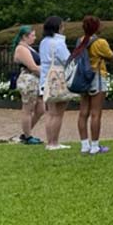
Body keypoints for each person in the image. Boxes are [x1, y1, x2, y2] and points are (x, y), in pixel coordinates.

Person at [74, 15, 113, 155]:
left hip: (82, 77)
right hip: (97, 76)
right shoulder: (100, 42)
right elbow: (111, 56)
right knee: (96, 113)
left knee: (83, 112)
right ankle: (95, 145)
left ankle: (84, 145)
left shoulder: (80, 41)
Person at [39, 16, 71, 151]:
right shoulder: (58, 43)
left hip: (45, 79)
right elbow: (67, 59)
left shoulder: (44, 42)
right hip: (58, 78)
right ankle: (55, 142)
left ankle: (49, 142)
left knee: (50, 113)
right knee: (58, 113)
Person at [12, 25, 43, 145]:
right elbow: (32, 67)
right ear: (24, 36)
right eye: (32, 35)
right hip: (28, 81)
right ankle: (28, 136)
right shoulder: (21, 49)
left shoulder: (28, 48)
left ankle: (26, 133)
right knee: (28, 109)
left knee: (41, 109)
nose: (34, 38)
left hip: (35, 80)